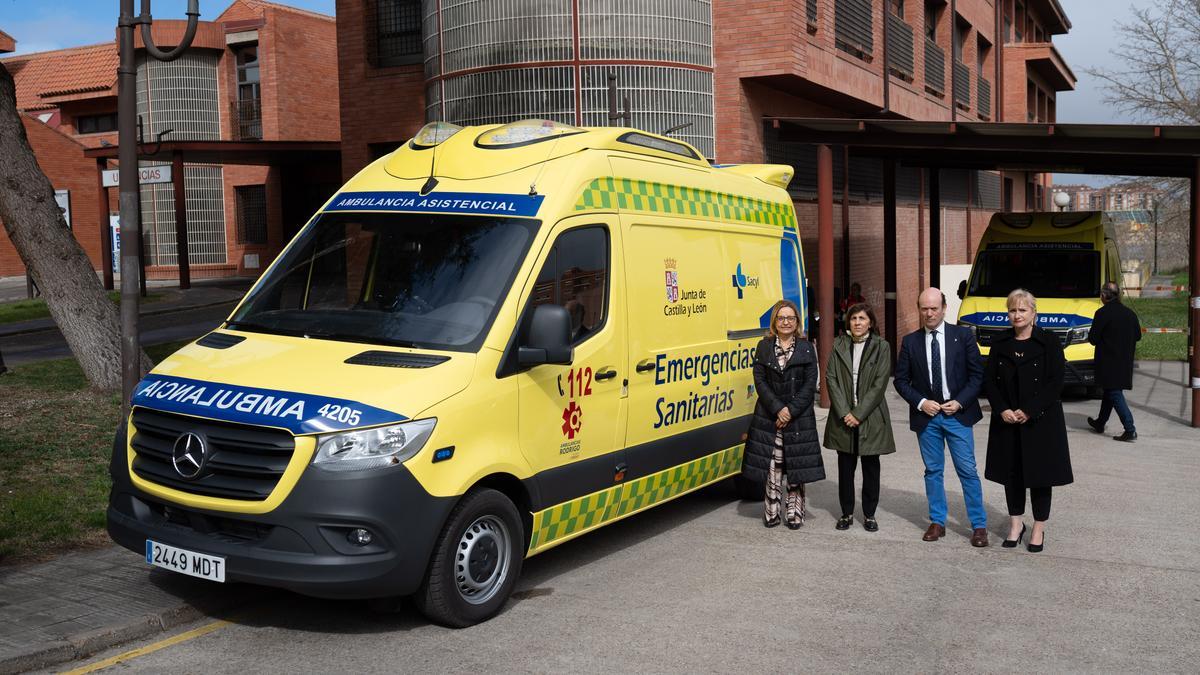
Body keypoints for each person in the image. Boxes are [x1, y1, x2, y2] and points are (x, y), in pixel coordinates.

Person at [894, 287, 989, 547]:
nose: (929, 313)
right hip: (928, 418)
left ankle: (979, 526)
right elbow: (901, 381)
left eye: (934, 308)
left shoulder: (963, 336)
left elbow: (977, 376)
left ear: (944, 308)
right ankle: (937, 521)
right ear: (919, 310)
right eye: (924, 308)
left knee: (967, 470)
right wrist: (922, 403)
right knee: (933, 471)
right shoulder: (910, 341)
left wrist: (959, 402)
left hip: (957, 415)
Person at [984, 289, 1073, 553]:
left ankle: (1038, 528)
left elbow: (1056, 381)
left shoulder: (1049, 342)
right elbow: (989, 380)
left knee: (1040, 477)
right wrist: (1001, 409)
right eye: (1012, 310)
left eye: (1023, 310)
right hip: (1007, 421)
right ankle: (1015, 525)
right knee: (1012, 475)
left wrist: (1030, 410)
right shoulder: (1000, 344)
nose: (1017, 315)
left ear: (1034, 313)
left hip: (1041, 422)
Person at [741, 299, 825, 529]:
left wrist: (790, 410)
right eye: (781, 318)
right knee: (772, 466)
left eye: (790, 318)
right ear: (774, 322)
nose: (786, 322)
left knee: (796, 466)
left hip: (798, 417)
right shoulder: (764, 346)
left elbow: (810, 384)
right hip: (770, 415)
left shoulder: (807, 348)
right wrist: (779, 408)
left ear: (797, 321)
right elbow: (759, 380)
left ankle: (794, 514)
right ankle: (771, 513)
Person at [823, 302, 895, 532]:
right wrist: (845, 412)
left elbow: (880, 383)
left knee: (871, 468)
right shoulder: (839, 344)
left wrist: (858, 413)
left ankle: (870, 514)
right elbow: (831, 378)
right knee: (845, 468)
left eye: (862, 319)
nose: (857, 323)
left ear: (870, 322)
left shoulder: (881, 347)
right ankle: (846, 513)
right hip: (843, 417)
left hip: (870, 417)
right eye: (853, 319)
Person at [1087, 282, 1141, 442]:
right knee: (1110, 391)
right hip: (1124, 361)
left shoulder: (1102, 313)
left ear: (1104, 296)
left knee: (1114, 393)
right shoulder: (1130, 313)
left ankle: (1130, 429)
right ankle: (1100, 422)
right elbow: (1138, 336)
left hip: (1108, 362)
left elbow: (1093, 339)